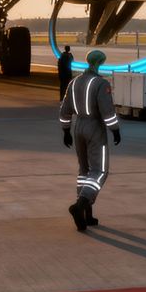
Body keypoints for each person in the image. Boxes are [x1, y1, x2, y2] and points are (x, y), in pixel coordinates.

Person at [59, 50, 120, 230]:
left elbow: (65, 109)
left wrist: (66, 131)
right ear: (100, 62)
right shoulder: (101, 84)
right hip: (94, 127)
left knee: (84, 171)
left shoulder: (74, 82)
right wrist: (115, 130)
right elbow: (107, 111)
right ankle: (80, 206)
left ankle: (87, 215)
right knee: (99, 171)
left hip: (78, 127)